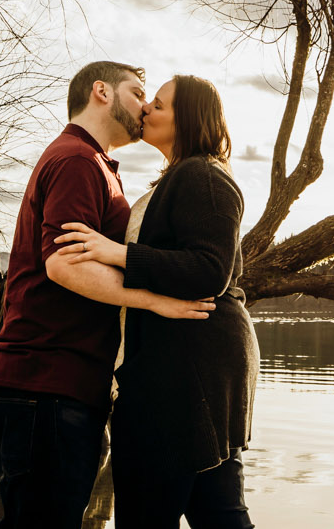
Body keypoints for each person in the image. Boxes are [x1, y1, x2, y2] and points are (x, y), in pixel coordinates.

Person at [0, 61, 216, 529]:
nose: (145, 106)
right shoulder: (75, 160)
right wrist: (154, 301)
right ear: (101, 93)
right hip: (49, 383)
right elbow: (63, 264)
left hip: (64, 386)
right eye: (137, 93)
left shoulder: (96, 165)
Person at [57, 74, 257, 529]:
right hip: (188, 371)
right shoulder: (181, 176)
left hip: (186, 377)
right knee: (218, 510)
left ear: (188, 119)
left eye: (160, 106)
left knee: (155, 511)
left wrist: (118, 253)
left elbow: (210, 270)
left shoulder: (202, 175)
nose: (146, 110)